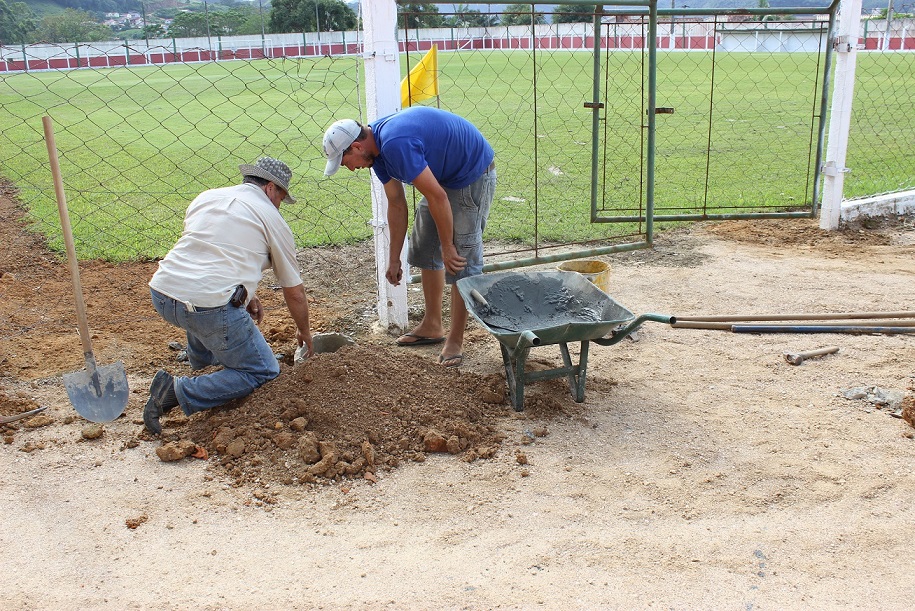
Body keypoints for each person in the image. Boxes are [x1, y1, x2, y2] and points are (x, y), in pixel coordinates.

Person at [143, 156, 314, 435]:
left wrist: (245, 295)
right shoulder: (272, 217)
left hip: (162, 293)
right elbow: (294, 292)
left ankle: (204, 366)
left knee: (201, 307)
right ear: (271, 188)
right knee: (263, 371)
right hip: (206, 307)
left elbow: (208, 255)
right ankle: (176, 391)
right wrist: (304, 332)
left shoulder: (208, 197)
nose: (280, 204)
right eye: (281, 197)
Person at [321, 107, 496, 368]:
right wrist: (394, 259)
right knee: (425, 248)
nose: (350, 169)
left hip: (470, 173)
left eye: (346, 163)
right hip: (442, 177)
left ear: (356, 147)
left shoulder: (394, 143)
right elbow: (396, 203)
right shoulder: (377, 154)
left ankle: (456, 339)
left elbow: (437, 197)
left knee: (460, 259)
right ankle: (433, 324)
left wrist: (448, 246)